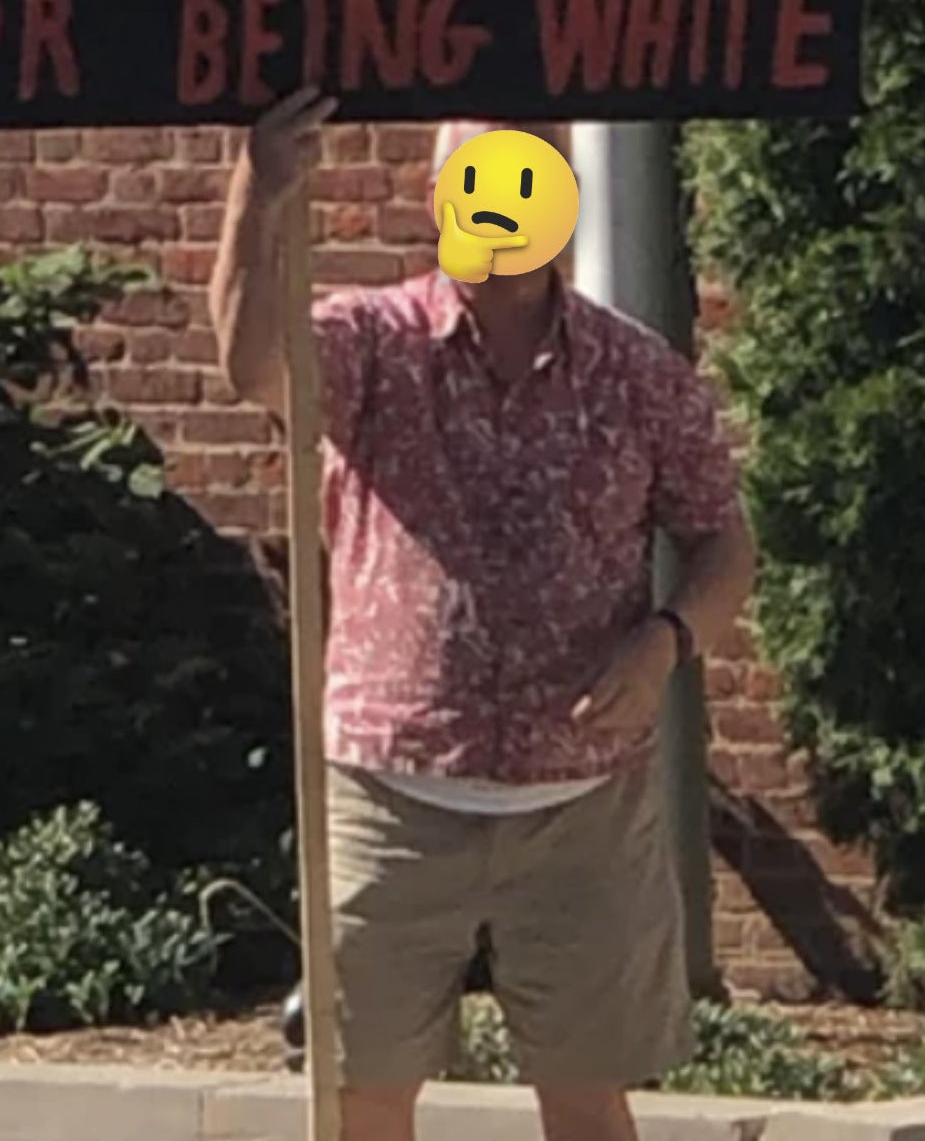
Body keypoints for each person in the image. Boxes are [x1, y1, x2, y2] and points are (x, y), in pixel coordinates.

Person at [210, 88, 756, 1141]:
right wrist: (260, 191)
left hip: (582, 802)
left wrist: (667, 641)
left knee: (590, 1101)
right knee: (361, 1095)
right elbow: (256, 367)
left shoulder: (637, 374)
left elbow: (722, 541)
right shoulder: (373, 345)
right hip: (388, 790)